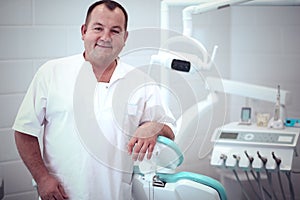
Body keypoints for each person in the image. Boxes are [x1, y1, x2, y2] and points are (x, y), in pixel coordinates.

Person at [12, 1, 175, 200]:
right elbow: (23, 130)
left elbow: (169, 129)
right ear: (84, 31)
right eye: (98, 28)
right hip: (62, 195)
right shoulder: (51, 72)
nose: (105, 37)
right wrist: (42, 178)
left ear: (125, 38)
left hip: (116, 195)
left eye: (115, 31)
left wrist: (154, 127)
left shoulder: (141, 82)